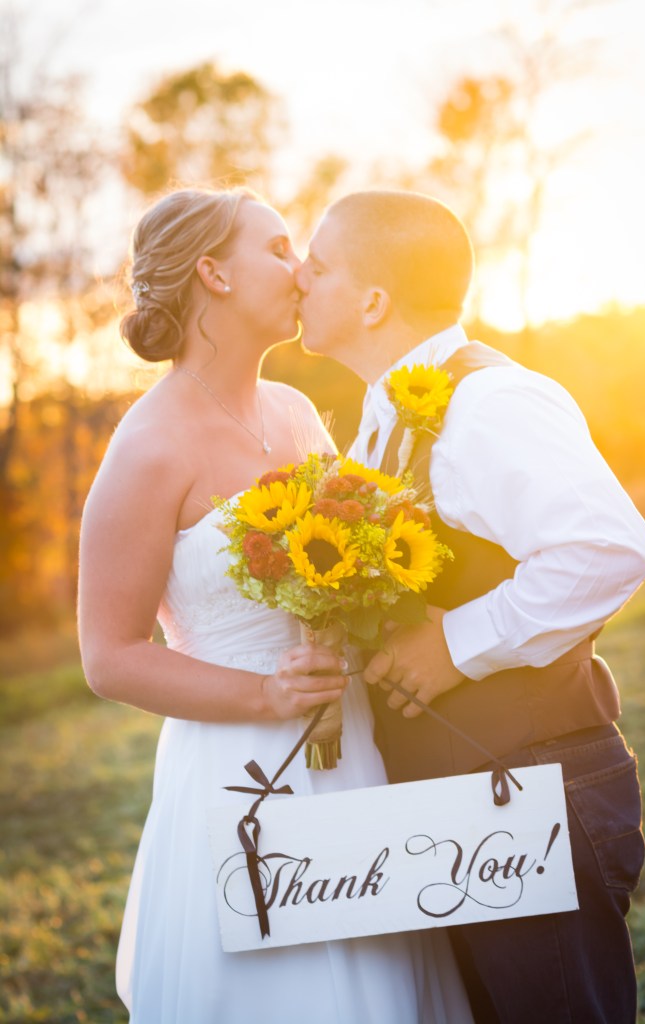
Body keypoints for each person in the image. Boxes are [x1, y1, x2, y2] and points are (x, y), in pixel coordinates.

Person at [77, 187, 473, 1023]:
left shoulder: (296, 413)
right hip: (240, 773)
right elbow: (109, 655)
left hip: (355, 751)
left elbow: (358, 573)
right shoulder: (147, 446)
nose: (301, 270)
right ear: (213, 273)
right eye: (280, 247)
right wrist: (266, 696)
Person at [296, 189, 645, 1024]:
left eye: (317, 267)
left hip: (534, 791)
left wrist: (453, 646)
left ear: (373, 299)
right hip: (459, 807)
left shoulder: (489, 403)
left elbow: (606, 547)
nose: (299, 281)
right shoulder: (381, 420)